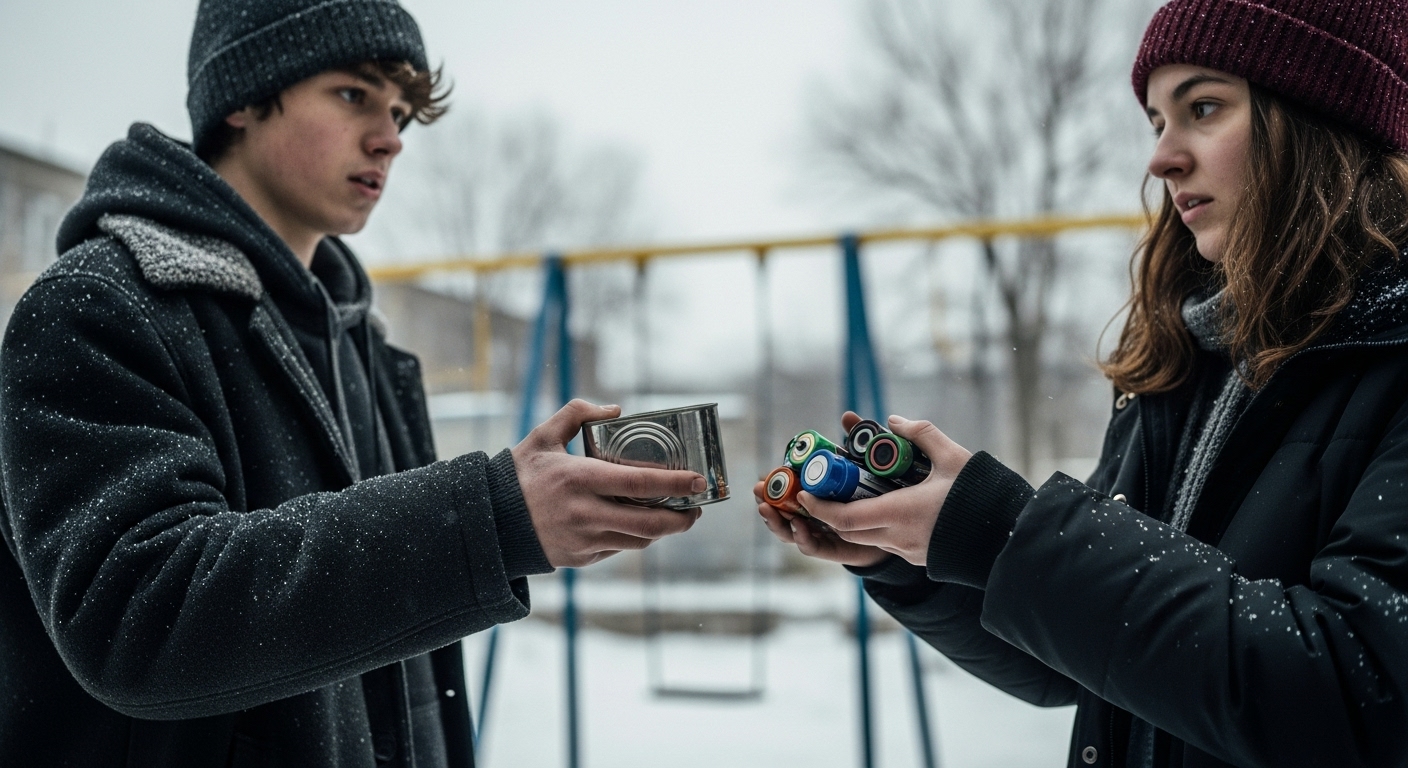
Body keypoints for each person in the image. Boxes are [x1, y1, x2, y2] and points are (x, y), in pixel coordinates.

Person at [0, 0, 704, 765]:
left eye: (400, 111)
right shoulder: (97, 306)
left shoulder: (364, 346)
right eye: (353, 95)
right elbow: (140, 617)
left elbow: (403, 683)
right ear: (241, 96)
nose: (391, 138)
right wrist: (491, 520)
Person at [757, 1, 1408, 766]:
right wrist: (904, 553)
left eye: (1203, 107)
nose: (1161, 158)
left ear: (1322, 117)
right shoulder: (1184, 363)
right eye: (1157, 123)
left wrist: (1003, 530)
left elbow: (1356, 691)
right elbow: (1081, 661)